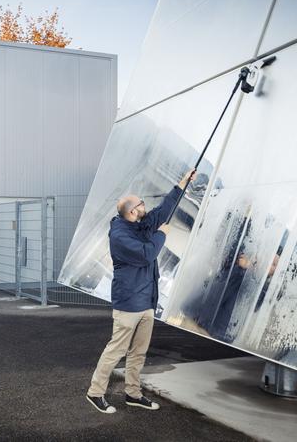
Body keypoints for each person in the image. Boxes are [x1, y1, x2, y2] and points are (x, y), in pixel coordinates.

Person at [86, 169, 195, 414]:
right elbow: (147, 253)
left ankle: (133, 394)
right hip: (128, 304)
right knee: (116, 350)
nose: (146, 207)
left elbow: (163, 212)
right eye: (142, 204)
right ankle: (95, 392)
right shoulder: (120, 236)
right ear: (132, 211)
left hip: (146, 300)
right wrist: (161, 235)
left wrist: (183, 183)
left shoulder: (138, 224)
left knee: (139, 352)